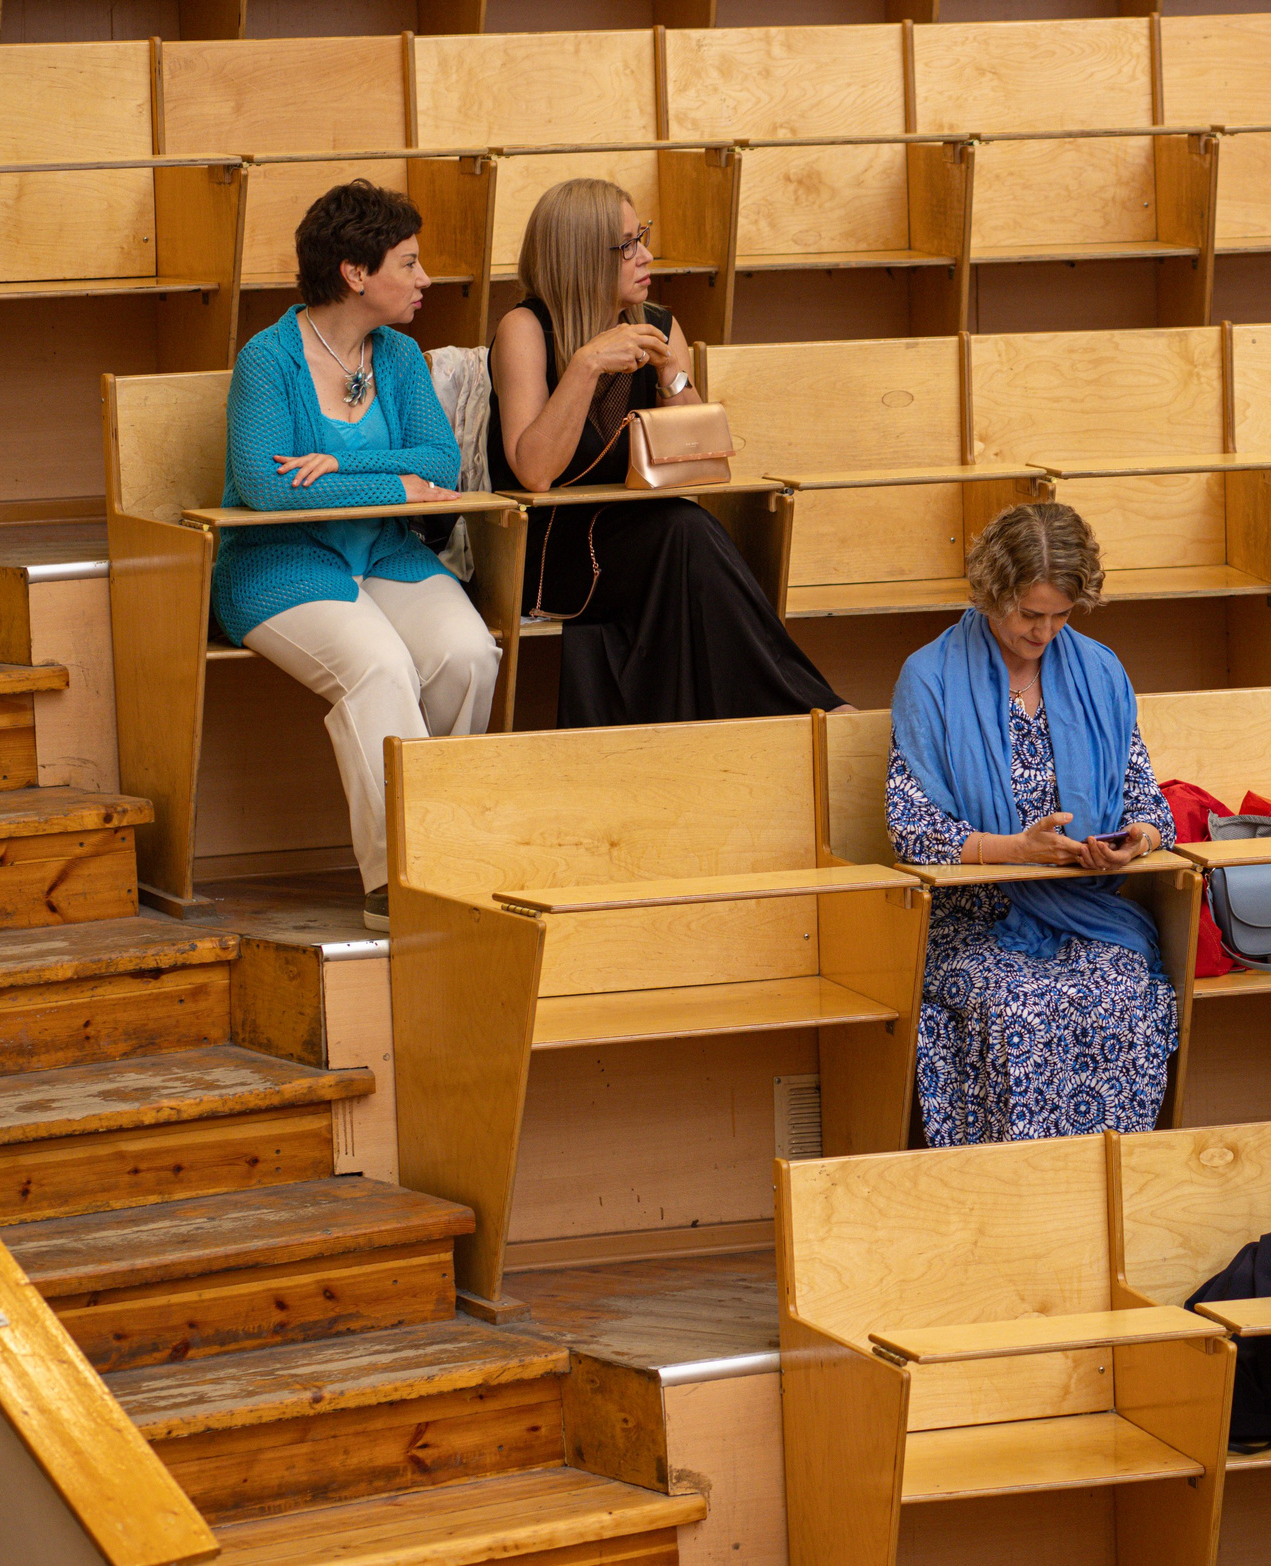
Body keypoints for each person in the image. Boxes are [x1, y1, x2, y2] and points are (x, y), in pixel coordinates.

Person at [216, 180, 499, 931]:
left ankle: (430, 842)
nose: (424, 279)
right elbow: (266, 489)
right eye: (407, 263)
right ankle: (396, 883)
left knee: (469, 653)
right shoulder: (267, 359)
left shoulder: (400, 356)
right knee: (380, 666)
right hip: (280, 561)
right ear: (354, 273)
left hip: (383, 551)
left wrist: (340, 469)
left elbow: (439, 463)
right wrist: (394, 479)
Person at [488, 178, 845, 725]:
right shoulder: (526, 329)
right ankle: (805, 708)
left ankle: (781, 716)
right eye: (627, 245)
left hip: (649, 535)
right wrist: (586, 365)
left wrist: (672, 374)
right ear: (582, 257)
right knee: (688, 534)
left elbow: (701, 465)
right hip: (557, 547)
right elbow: (535, 472)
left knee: (688, 528)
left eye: (642, 237)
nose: (646, 256)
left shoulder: (658, 326)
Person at [885, 503, 1178, 1147]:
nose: (1044, 632)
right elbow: (910, 828)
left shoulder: (1100, 672)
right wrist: (1017, 850)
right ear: (992, 594)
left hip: (1082, 910)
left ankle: (1103, 1189)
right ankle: (1011, 1192)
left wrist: (1136, 843)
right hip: (971, 920)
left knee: (1125, 993)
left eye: (1061, 615)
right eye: (1028, 614)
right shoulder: (930, 677)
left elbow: (1151, 808)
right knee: (1021, 1006)